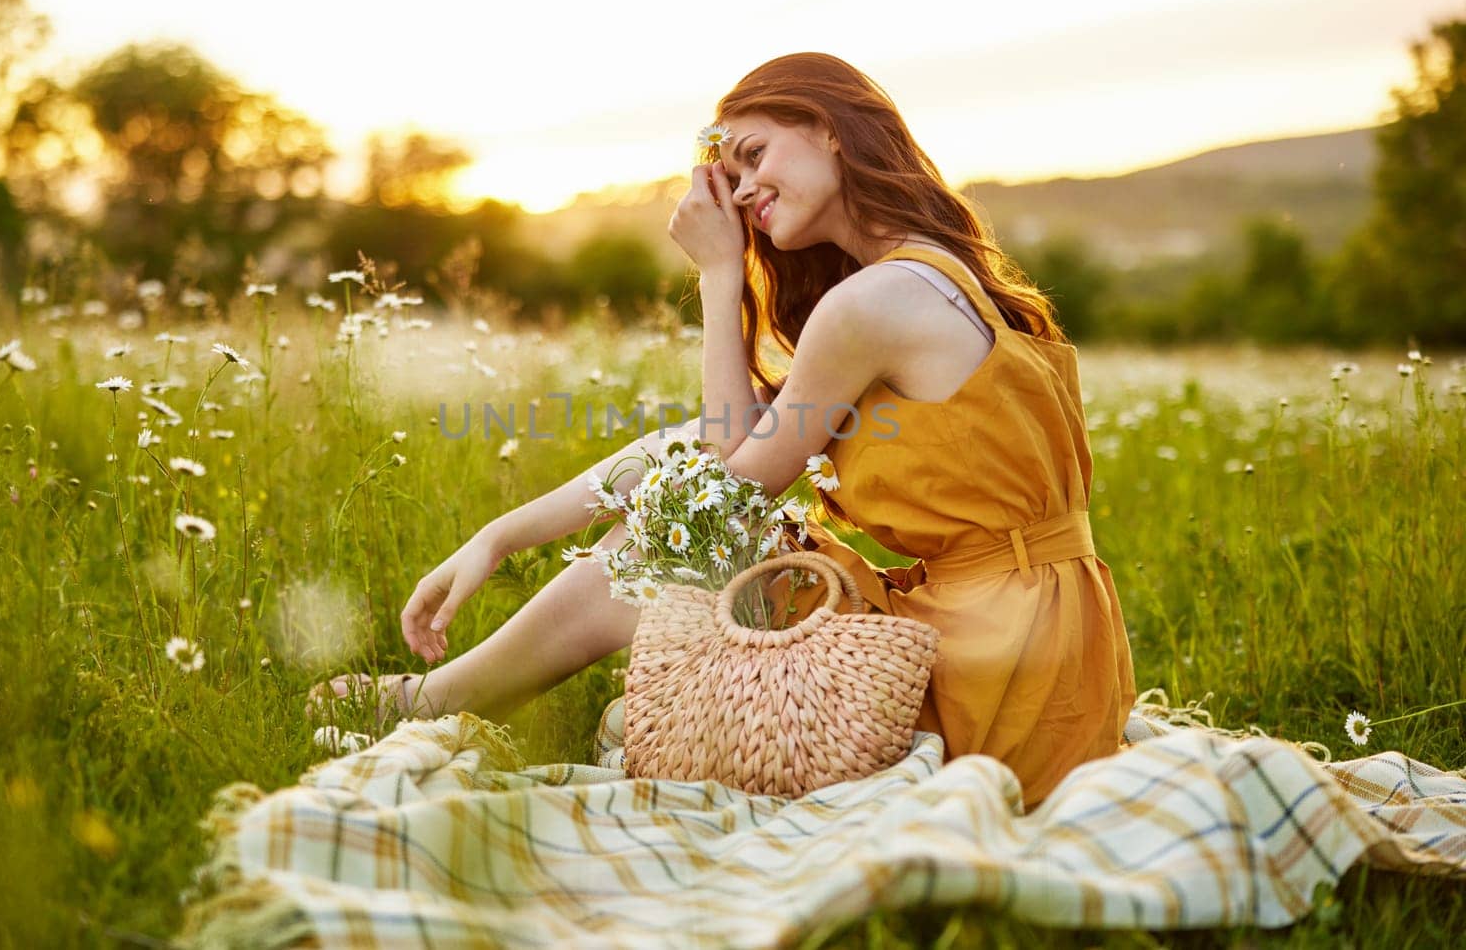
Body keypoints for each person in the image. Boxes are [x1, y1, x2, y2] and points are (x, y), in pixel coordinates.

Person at [308, 52, 1136, 809]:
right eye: (728, 170)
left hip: (1003, 666)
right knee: (710, 534)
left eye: (754, 155)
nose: (739, 190)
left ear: (828, 129)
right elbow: (705, 445)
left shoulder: (873, 304)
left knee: (682, 545)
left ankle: (439, 699)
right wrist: (500, 535)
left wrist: (715, 274)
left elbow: (725, 483)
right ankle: (446, 693)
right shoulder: (926, 272)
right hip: (1042, 637)